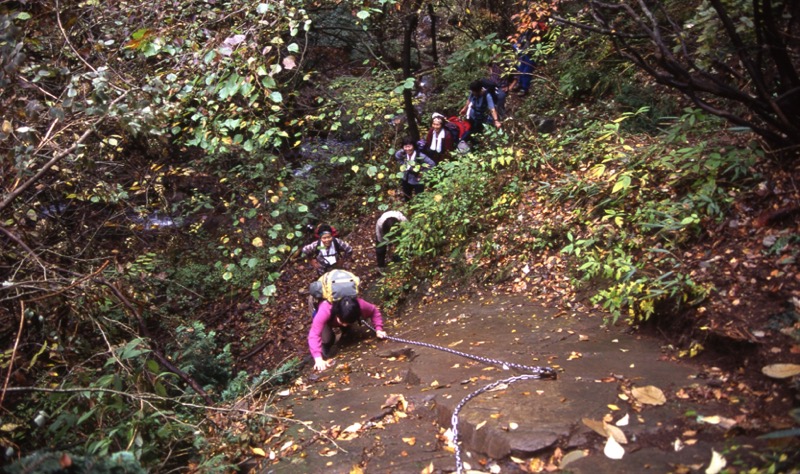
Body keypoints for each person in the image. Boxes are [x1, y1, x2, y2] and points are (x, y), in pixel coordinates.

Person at [308, 296, 387, 372]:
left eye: (348, 323)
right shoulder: (325, 310)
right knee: (327, 339)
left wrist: (379, 329)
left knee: (347, 329)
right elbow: (314, 334)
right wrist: (318, 358)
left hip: (335, 315)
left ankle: (344, 331)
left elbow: (374, 311)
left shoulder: (360, 305)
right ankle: (328, 344)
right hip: (318, 304)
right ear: (337, 313)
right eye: (342, 322)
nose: (344, 324)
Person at [394, 136, 436, 201]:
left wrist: (423, 173)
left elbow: (432, 164)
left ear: (413, 146)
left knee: (419, 197)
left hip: (417, 179)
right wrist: (404, 164)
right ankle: (408, 205)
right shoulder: (403, 153)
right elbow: (397, 156)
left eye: (409, 146)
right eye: (405, 146)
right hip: (406, 177)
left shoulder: (420, 156)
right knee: (406, 195)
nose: (408, 149)